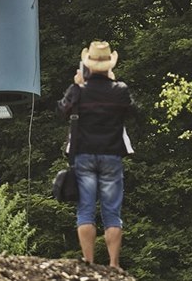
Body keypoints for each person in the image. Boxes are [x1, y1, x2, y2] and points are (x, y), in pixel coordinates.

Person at [57, 41, 135, 270]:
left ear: (87, 66)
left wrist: (76, 86)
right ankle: (113, 263)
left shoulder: (79, 91)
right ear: (109, 65)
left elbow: (61, 110)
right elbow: (133, 112)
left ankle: (89, 262)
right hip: (112, 155)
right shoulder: (119, 90)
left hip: (84, 155)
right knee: (112, 211)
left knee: (85, 210)